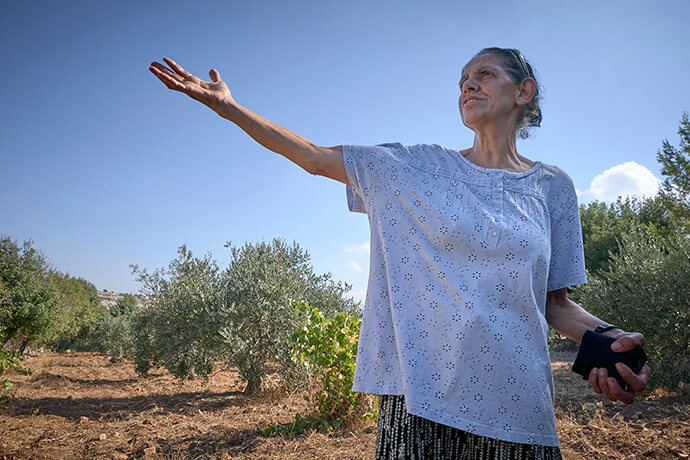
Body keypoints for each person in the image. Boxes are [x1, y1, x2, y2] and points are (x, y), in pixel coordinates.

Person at [149, 47, 651, 459]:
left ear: (524, 92)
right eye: (461, 81)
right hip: (423, 402)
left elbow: (554, 304)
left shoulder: (553, 188)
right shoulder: (415, 169)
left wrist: (613, 341)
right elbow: (313, 156)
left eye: (484, 75)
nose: (468, 86)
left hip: (520, 407)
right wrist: (228, 107)